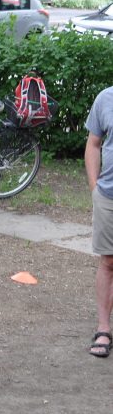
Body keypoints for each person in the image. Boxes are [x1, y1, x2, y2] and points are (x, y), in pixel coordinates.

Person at [86, 85, 113, 357]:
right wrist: (95, 187)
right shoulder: (105, 98)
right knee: (108, 261)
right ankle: (104, 329)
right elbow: (93, 144)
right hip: (108, 195)